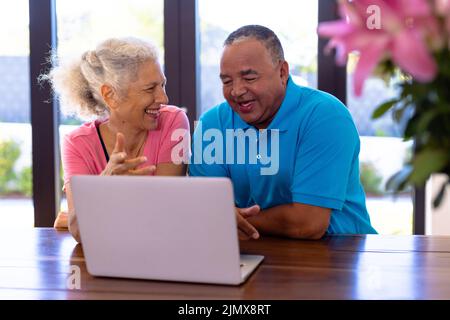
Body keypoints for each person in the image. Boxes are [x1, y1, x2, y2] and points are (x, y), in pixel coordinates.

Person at [189, 25, 377, 240]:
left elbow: (308, 223)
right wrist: (220, 221)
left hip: (340, 253)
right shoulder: (212, 124)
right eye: (226, 81)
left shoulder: (325, 116)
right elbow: (207, 215)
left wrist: (230, 223)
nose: (237, 91)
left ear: (282, 72)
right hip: (249, 255)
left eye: (249, 78)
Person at [43, 37, 190, 242]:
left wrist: (96, 212)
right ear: (110, 95)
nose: (163, 98)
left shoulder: (173, 122)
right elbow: (79, 231)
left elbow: (165, 215)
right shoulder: (76, 144)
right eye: (150, 89)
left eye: (162, 85)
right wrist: (104, 185)